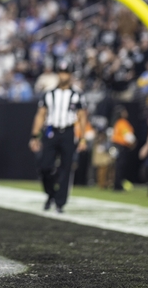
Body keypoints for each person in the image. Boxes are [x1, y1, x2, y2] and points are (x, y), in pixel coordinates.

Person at [30, 59, 88, 213]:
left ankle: (60, 202)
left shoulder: (76, 94)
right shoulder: (49, 94)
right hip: (51, 131)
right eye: (61, 72)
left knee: (66, 168)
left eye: (66, 72)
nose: (63, 76)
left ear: (70, 75)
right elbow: (40, 115)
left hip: (68, 132)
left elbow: (82, 117)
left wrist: (82, 138)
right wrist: (34, 135)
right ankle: (51, 194)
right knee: (44, 166)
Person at [111, 106, 136, 191]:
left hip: (116, 146)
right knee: (120, 167)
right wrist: (133, 143)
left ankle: (116, 184)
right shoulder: (123, 122)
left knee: (117, 166)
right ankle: (118, 185)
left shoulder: (117, 122)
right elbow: (128, 136)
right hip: (122, 147)